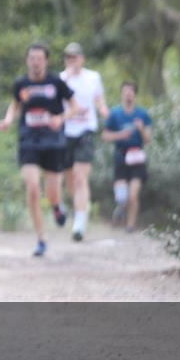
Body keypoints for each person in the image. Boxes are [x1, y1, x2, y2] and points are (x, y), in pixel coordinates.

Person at [0, 43, 82, 257]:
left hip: (53, 142)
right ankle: (41, 238)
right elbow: (15, 105)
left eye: (39, 58)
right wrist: (8, 120)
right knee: (33, 188)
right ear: (27, 60)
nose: (35, 62)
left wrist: (59, 118)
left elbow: (75, 107)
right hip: (29, 141)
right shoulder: (21, 84)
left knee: (53, 192)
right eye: (32, 58)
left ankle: (57, 206)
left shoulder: (56, 82)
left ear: (46, 61)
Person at [59, 42, 109, 241]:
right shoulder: (61, 79)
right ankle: (77, 208)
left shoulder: (93, 77)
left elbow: (99, 100)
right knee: (69, 179)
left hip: (86, 130)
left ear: (82, 58)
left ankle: (80, 223)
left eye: (75, 57)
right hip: (66, 131)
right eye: (69, 58)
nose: (73, 61)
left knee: (81, 177)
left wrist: (105, 112)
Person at [102, 82, 152, 233]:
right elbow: (105, 136)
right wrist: (120, 135)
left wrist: (141, 129)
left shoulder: (143, 114)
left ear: (135, 94)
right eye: (126, 91)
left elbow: (148, 139)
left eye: (131, 92)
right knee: (122, 197)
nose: (128, 94)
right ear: (122, 94)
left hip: (137, 156)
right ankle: (120, 209)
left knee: (133, 195)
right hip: (121, 156)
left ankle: (130, 225)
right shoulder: (115, 114)